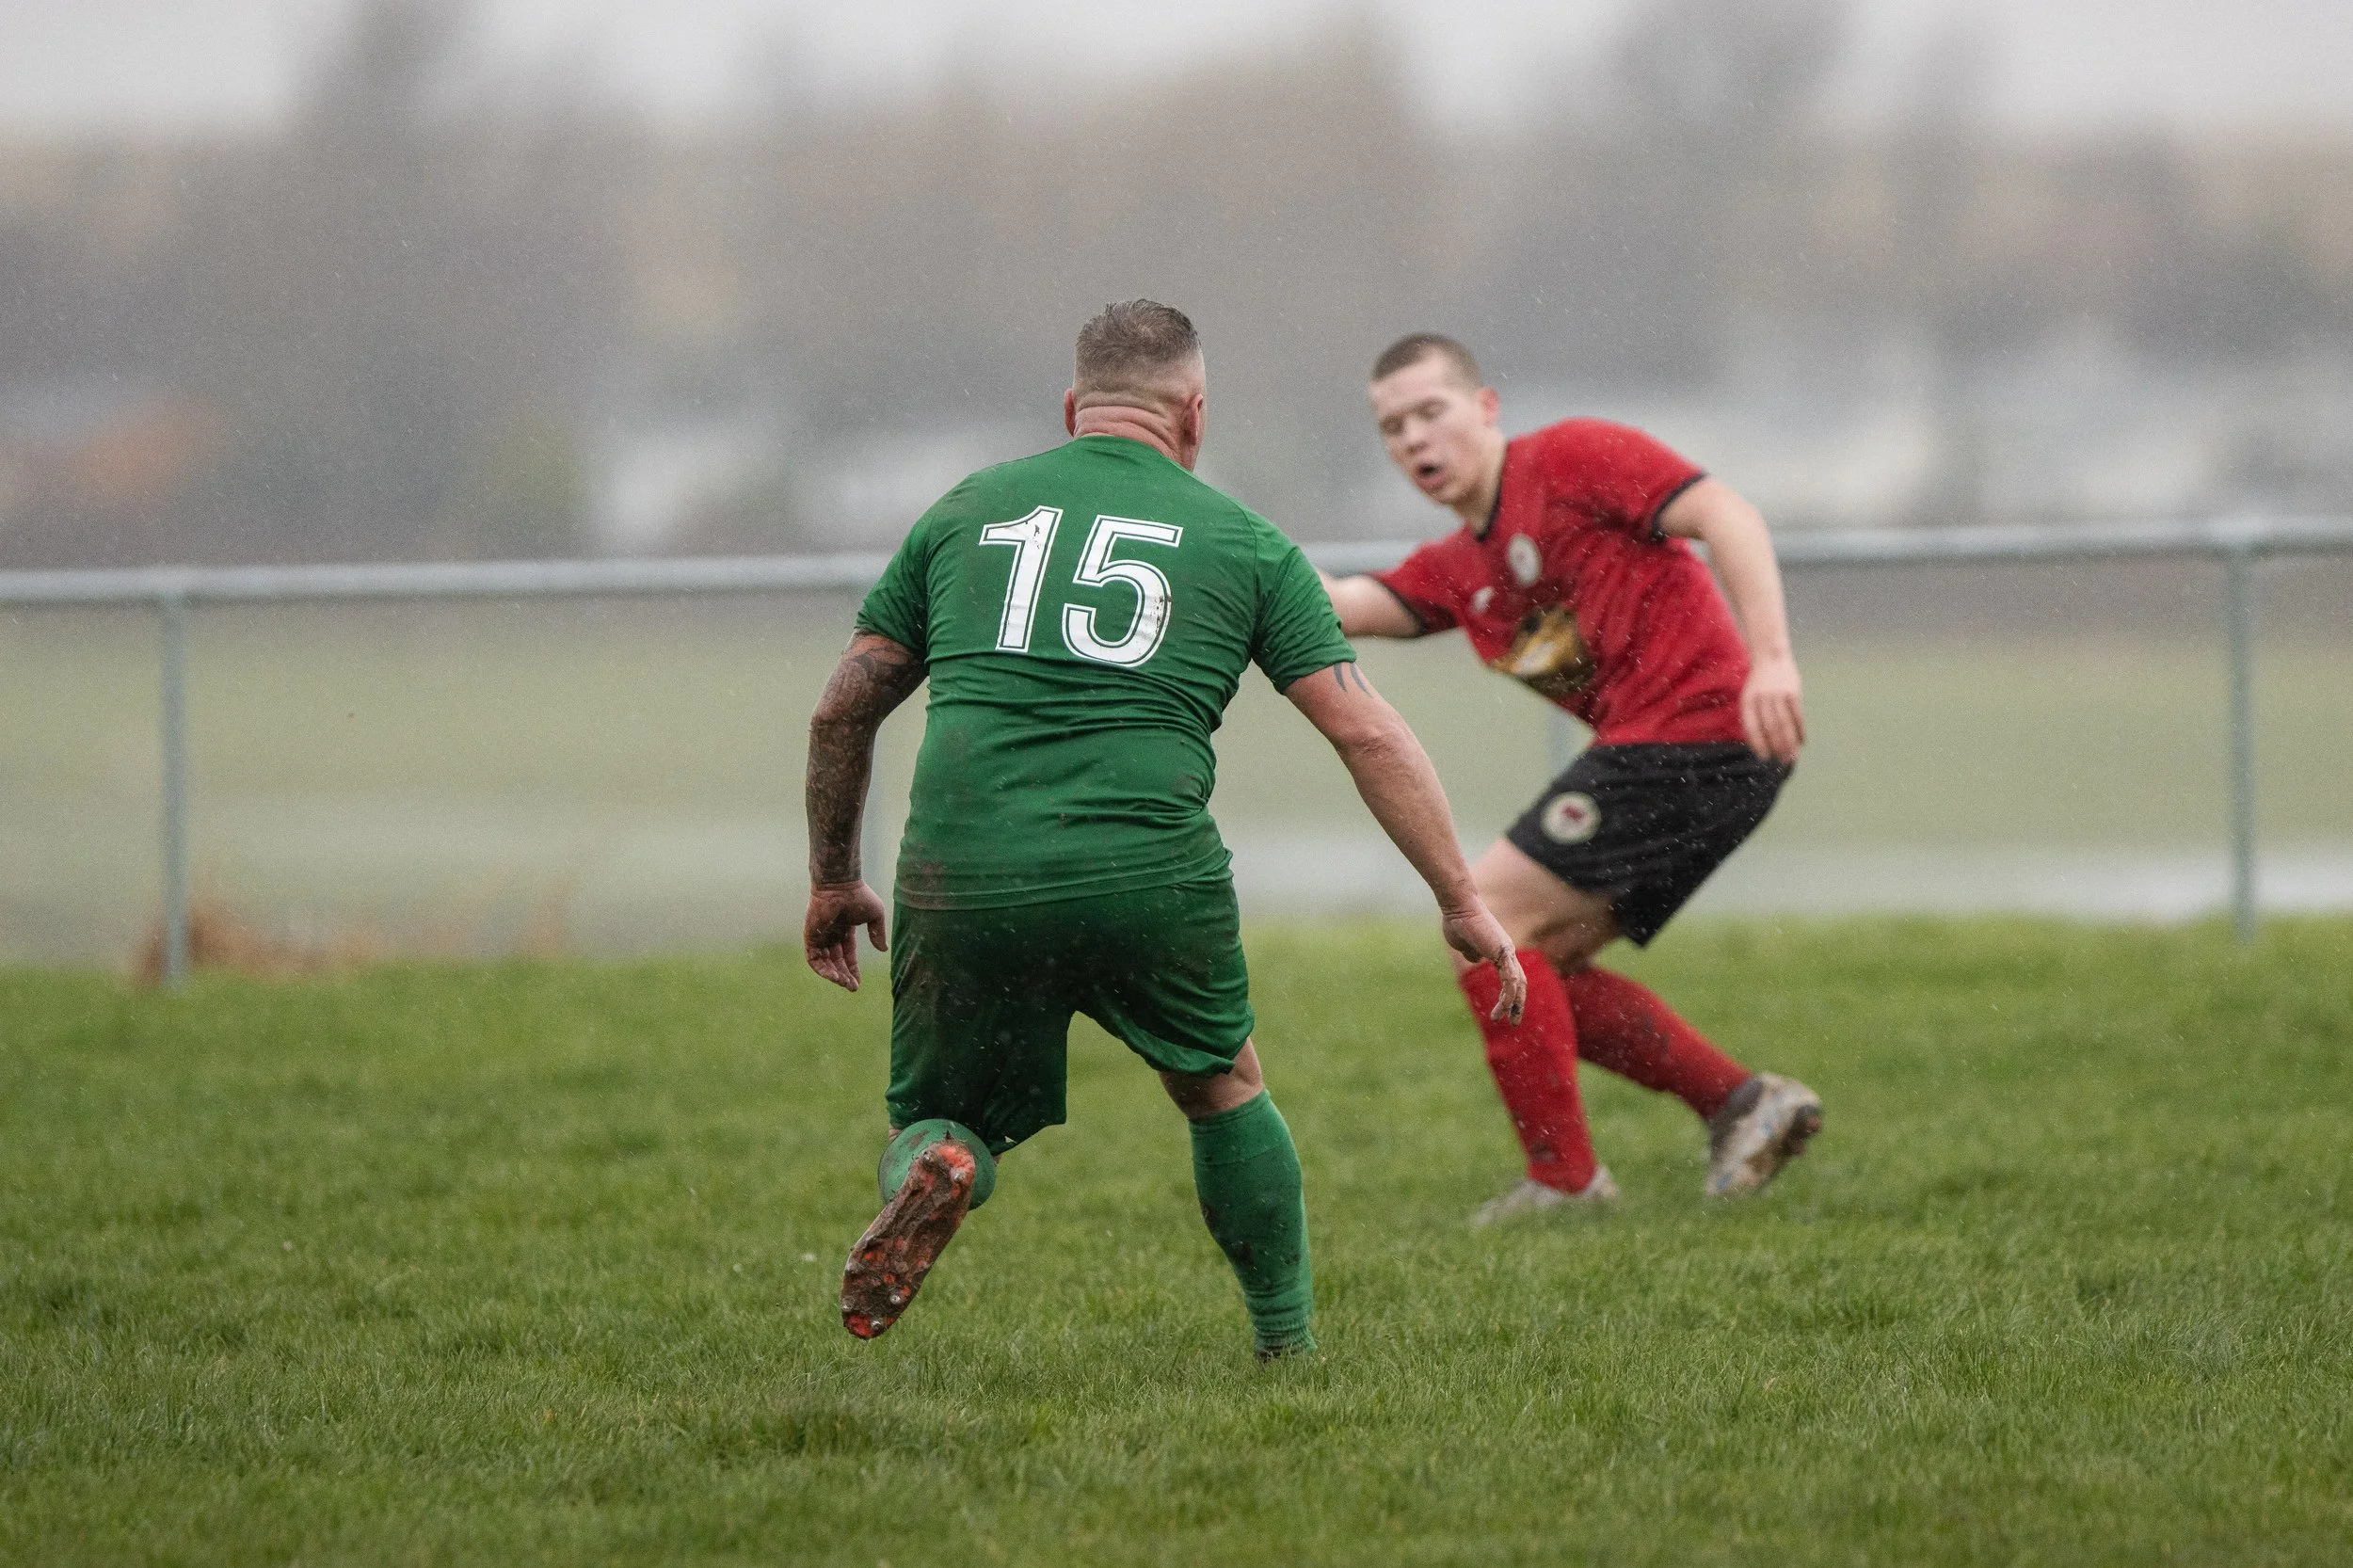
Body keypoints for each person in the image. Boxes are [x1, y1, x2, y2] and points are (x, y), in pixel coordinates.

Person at [803, 301, 1525, 1358]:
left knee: (941, 1111)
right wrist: (1460, 898)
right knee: (1221, 1083)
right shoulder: (1245, 541)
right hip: (1147, 869)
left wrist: (832, 877)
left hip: (965, 868)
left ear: (1072, 408)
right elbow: (1365, 732)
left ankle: (940, 1167)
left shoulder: (966, 511)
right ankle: (1285, 1346)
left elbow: (842, 707)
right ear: (1195, 413)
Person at [1321, 333, 1823, 1225]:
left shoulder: (1576, 457)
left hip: (1701, 731)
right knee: (1530, 963)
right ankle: (1746, 1106)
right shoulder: (1456, 570)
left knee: (1487, 924)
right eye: (1392, 427)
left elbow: (1730, 517)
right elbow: (1343, 604)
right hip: (1683, 756)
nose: (1412, 440)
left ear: (1485, 406)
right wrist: (1218, 564)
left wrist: (1774, 660)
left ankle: (1566, 1183)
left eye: (1430, 411)